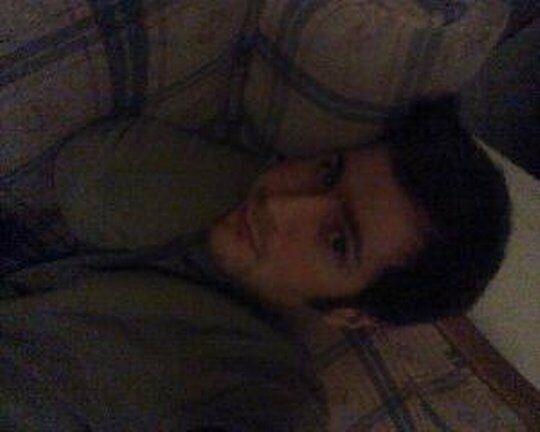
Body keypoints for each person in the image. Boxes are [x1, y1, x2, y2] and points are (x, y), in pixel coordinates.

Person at [0, 96, 511, 430]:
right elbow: (88, 178)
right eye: (328, 171)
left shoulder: (269, 391)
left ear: (353, 314)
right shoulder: (203, 220)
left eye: (337, 242)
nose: (282, 205)